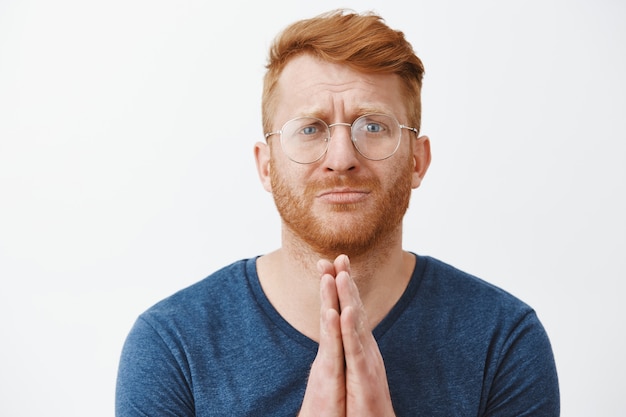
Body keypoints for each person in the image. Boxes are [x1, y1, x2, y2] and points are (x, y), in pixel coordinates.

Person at [115, 9, 559, 416]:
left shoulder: (502, 340)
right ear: (266, 166)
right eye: (310, 129)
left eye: (374, 126)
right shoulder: (172, 346)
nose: (342, 157)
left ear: (418, 161)